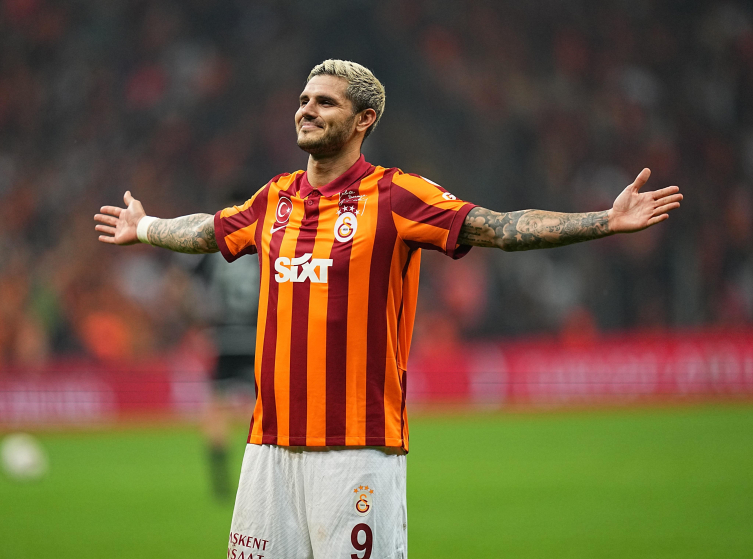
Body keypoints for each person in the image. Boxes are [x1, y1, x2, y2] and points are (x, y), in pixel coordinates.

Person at [94, 59, 682, 558]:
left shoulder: (398, 195)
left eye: (325, 102)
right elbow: (206, 231)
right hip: (268, 448)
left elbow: (500, 228)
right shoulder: (274, 198)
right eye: (303, 100)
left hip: (357, 449)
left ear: (364, 119)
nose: (306, 109)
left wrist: (604, 220)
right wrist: (143, 226)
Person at [194, 240, 259, 500]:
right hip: (257, 335)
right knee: (263, 405)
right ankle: (262, 471)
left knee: (217, 406)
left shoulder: (214, 250)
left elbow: (194, 290)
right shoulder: (265, 244)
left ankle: (220, 480)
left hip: (223, 336)